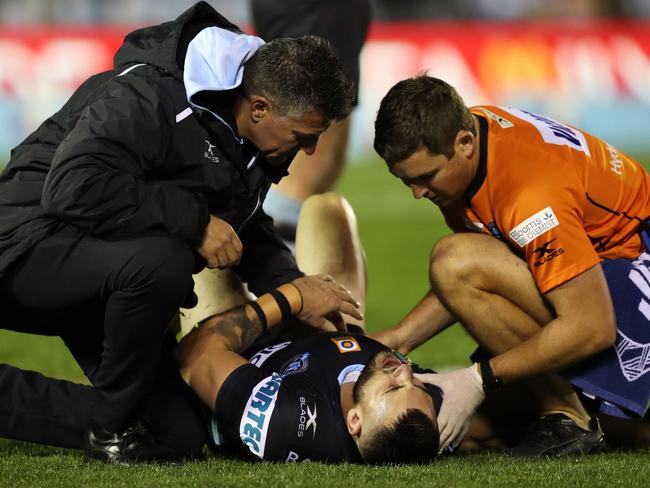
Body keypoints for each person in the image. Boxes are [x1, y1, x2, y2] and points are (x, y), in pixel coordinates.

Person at [0, 1, 354, 463]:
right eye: (305, 135)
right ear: (261, 108)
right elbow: (71, 187)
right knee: (162, 263)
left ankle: (100, 416)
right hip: (22, 246)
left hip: (107, 269)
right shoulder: (151, 94)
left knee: (176, 435)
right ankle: (109, 425)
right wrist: (197, 223)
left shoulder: (251, 136)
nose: (308, 150)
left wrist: (294, 289)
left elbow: (245, 225)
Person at [373, 74, 650, 456]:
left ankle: (571, 416)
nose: (417, 193)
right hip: (603, 269)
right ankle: (587, 412)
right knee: (458, 429)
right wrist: (398, 339)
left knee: (454, 260)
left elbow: (591, 327)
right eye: (406, 181)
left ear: (464, 143)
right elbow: (492, 264)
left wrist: (479, 378)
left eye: (425, 177)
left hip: (632, 274)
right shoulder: (472, 135)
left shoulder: (530, 198)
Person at [176, 193, 441, 464]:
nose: (405, 371)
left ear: (354, 421)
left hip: (244, 353)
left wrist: (291, 298)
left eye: (393, 389)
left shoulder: (286, 418)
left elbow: (194, 354)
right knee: (328, 209)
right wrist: (476, 383)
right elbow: (481, 424)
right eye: (418, 386)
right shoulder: (416, 418)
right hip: (321, 343)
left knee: (211, 249)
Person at [250, 0, 372, 246]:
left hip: (322, 11)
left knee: (328, 160)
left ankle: (276, 266)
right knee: (309, 165)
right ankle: (269, 271)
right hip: (313, 9)